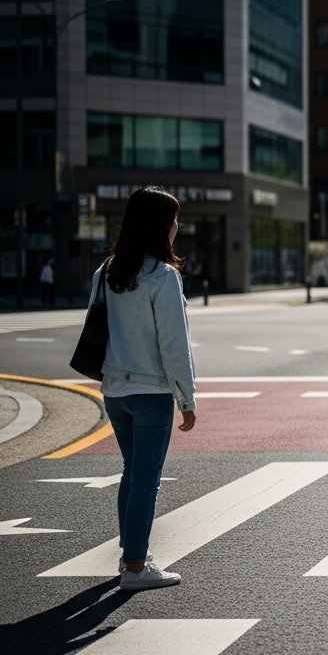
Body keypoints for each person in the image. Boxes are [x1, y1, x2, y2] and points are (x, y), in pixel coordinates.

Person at [88, 186, 198, 592]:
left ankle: (131, 555)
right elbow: (174, 345)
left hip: (114, 391)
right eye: (173, 220)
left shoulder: (107, 271)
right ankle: (135, 568)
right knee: (145, 480)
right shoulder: (163, 276)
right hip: (152, 394)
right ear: (159, 226)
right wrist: (187, 399)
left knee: (132, 474)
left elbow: (95, 329)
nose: (176, 227)